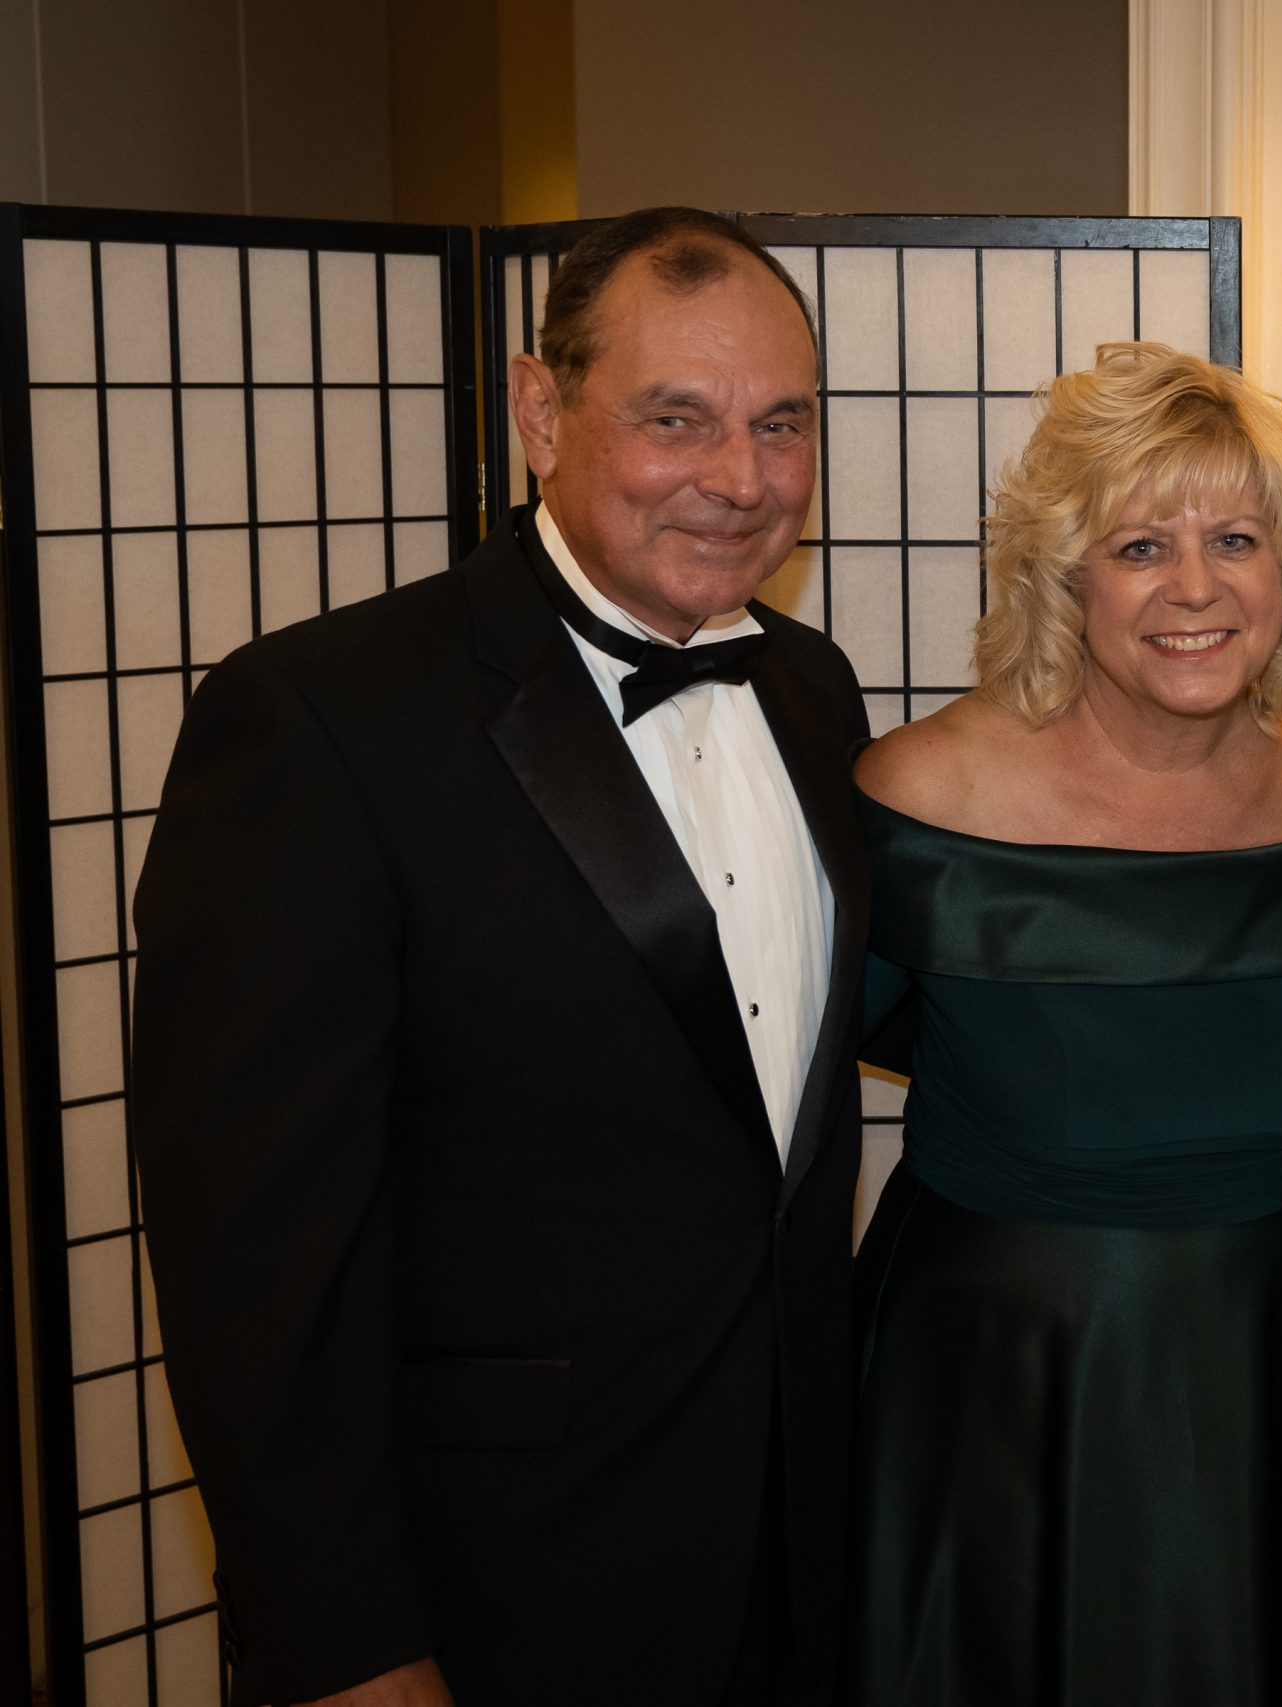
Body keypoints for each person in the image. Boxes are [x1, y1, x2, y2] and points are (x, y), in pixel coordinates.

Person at [130, 208, 868, 1707]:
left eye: (781, 424)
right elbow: (255, 1264)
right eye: (676, 418)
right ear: (541, 411)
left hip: (801, 1566)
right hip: (500, 1591)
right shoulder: (322, 721)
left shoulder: (813, 692)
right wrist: (346, 1647)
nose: (741, 479)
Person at [842, 343, 1282, 1704]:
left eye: (1236, 540)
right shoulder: (920, 797)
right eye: (1142, 546)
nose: (1196, 587)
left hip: (1259, 1377)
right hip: (991, 1403)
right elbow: (770, 1061)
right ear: (1065, 577)